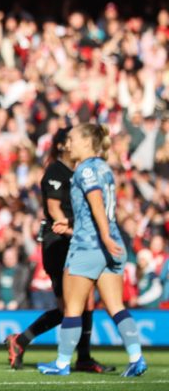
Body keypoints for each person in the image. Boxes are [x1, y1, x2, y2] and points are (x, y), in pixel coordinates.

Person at [38, 124, 147, 377]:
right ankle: (136, 357)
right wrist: (75, 225)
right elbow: (97, 209)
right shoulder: (104, 168)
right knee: (116, 307)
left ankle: (62, 363)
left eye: (73, 139)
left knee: (73, 309)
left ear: (87, 142)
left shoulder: (85, 169)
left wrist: (100, 235)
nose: (68, 144)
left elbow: (95, 200)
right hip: (111, 245)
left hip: (88, 245)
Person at [5, 128, 112, 372]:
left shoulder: (81, 171)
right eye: (73, 139)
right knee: (68, 307)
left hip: (78, 238)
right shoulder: (55, 171)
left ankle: (84, 357)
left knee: (86, 301)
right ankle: (20, 340)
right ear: (64, 145)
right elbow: (54, 209)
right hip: (58, 240)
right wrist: (74, 232)